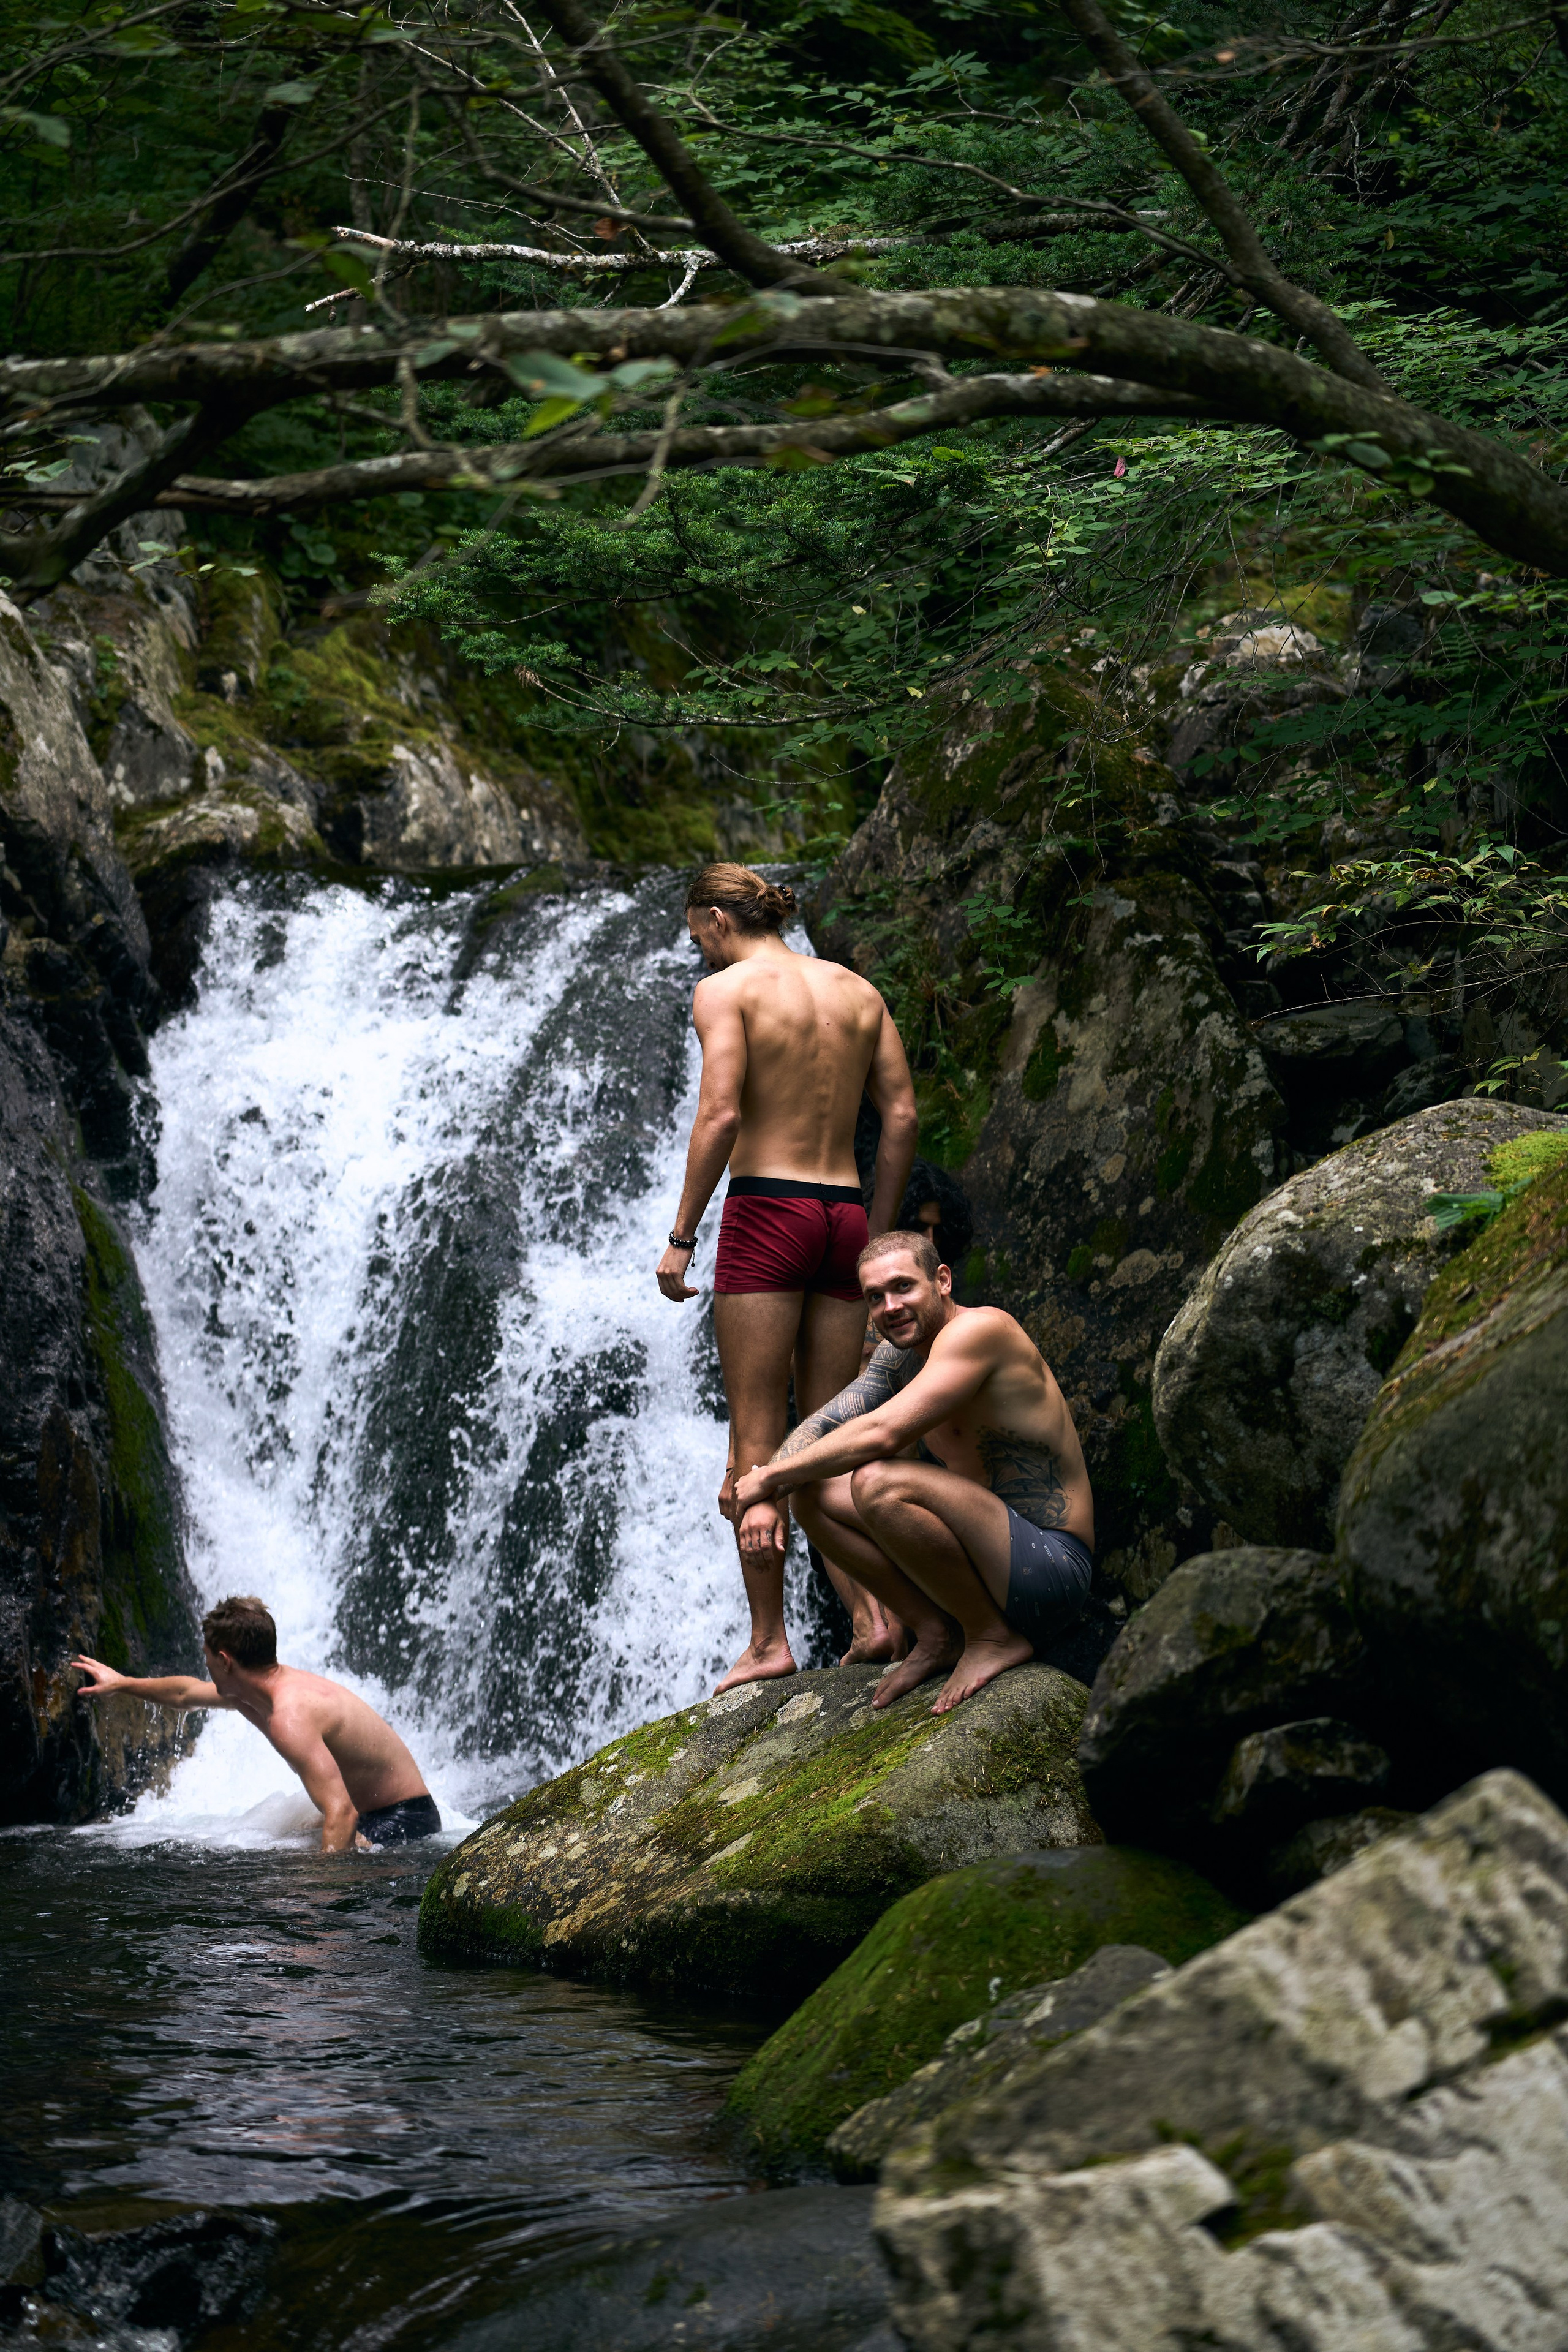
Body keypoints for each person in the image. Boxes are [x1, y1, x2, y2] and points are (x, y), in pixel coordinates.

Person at [656, 862, 918, 1691]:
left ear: (717, 920)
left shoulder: (727, 991)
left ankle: (769, 1640)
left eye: (698, 934)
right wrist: (877, 1234)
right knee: (828, 1437)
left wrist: (682, 1236)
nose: (699, 950)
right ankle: (877, 1617)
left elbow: (724, 1113)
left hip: (768, 1209)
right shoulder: (856, 991)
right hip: (843, 1214)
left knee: (757, 1440)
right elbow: (903, 1115)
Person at [731, 1230, 1094, 1716]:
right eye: (875, 1297)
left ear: (942, 1280)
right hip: (976, 1566)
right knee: (811, 1493)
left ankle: (991, 1637)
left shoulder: (982, 1331)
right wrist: (770, 1489)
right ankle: (937, 1634)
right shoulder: (898, 1358)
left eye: (903, 1287)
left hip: (1049, 1569)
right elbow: (822, 1425)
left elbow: (879, 1433)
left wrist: (765, 1480)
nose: (890, 1306)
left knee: (877, 1482)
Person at [73, 1595, 440, 1853]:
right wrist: (121, 1684)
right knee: (285, 1842)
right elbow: (186, 1694)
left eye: (207, 1657)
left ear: (224, 1660)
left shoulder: (289, 1717)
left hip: (407, 1821)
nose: (205, 1666)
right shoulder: (257, 1691)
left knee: (291, 1885)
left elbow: (342, 1813)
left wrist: (322, 1910)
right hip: (376, 1812)